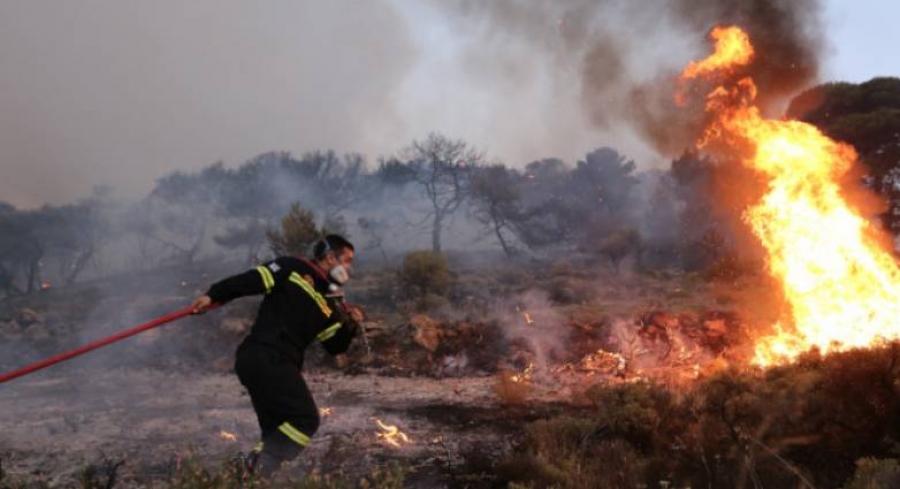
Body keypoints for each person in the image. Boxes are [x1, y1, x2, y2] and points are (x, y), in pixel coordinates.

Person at [191, 234, 362, 478]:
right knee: (305, 419)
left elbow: (336, 346)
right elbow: (251, 281)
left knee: (275, 432)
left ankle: (248, 478)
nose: (348, 268)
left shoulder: (329, 303)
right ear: (330, 257)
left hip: (277, 363)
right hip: (264, 354)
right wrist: (213, 294)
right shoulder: (293, 268)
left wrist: (351, 325)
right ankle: (248, 474)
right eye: (346, 260)